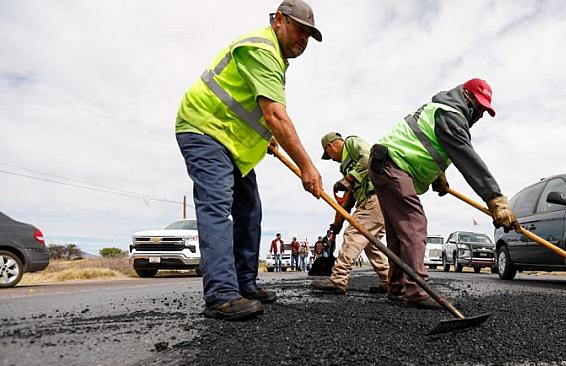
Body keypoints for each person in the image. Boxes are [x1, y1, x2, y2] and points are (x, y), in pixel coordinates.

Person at [175, 0, 323, 320]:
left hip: (234, 145)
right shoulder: (261, 49)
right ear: (280, 19)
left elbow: (254, 107)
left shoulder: (277, 59)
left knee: (250, 211)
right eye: (300, 30)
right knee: (216, 207)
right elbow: (274, 115)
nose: (304, 40)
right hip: (204, 129)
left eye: (309, 35)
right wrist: (307, 167)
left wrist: (265, 136)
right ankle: (220, 295)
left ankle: (244, 282)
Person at [368, 79, 519, 308]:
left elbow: (428, 144)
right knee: (414, 224)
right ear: (465, 98)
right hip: (393, 165)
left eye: (483, 111)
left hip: (384, 164)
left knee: (399, 234)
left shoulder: (440, 110)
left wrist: (439, 175)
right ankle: (418, 289)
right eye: (477, 108)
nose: (478, 115)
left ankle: (397, 288)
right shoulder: (450, 115)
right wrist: (495, 200)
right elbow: (469, 161)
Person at [311, 133, 389, 294]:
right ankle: (390, 282)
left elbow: (369, 157)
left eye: (328, 155)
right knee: (372, 246)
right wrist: (336, 225)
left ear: (330, 146)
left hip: (375, 198)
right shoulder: (347, 168)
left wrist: (349, 179)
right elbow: (347, 201)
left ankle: (338, 280)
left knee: (353, 234)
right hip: (377, 202)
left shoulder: (351, 143)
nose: (331, 159)